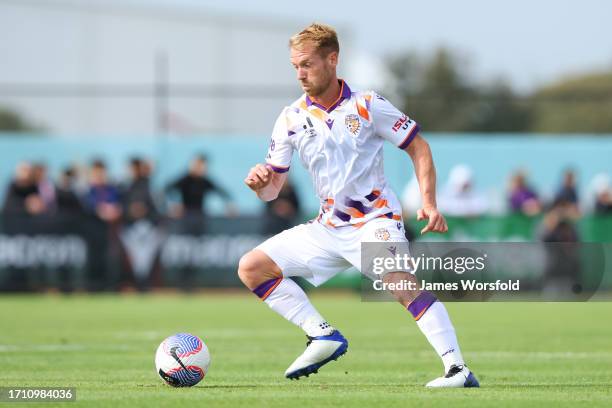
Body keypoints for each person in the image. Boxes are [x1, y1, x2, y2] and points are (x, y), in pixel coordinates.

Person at [238, 24, 479, 388]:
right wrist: (260, 184)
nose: (300, 74)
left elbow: (419, 147)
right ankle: (322, 335)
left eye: (307, 64)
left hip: (374, 220)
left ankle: (458, 370)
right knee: (252, 268)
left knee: (401, 283)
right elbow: (272, 190)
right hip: (326, 229)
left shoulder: (367, 104)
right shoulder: (289, 118)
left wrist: (429, 202)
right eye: (295, 66)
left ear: (332, 59)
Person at [166, 154, 235, 218]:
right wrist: (175, 204)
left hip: (200, 215)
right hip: (185, 216)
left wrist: (229, 204)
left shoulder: (205, 181)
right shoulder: (185, 180)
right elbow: (168, 189)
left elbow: (221, 192)